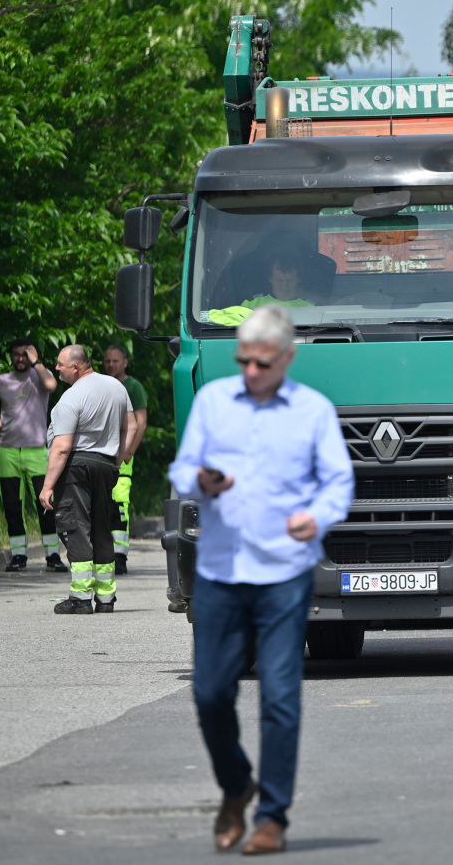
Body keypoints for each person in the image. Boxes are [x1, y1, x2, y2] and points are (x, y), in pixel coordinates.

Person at [169, 305, 353, 854]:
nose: (251, 372)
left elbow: (338, 481)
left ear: (287, 358)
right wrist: (201, 480)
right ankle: (235, 786)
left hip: (283, 574)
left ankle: (272, 816)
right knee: (209, 692)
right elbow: (182, 470)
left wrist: (316, 517)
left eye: (263, 363)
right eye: (243, 361)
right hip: (221, 571)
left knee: (279, 695)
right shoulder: (213, 402)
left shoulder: (313, 410)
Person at [39, 346, 136, 614]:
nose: (56, 369)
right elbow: (131, 426)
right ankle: (105, 598)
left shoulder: (72, 397)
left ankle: (80, 598)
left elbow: (62, 448)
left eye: (60, 364)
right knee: (102, 528)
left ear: (76, 367)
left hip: (76, 467)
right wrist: (116, 461)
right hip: (106, 465)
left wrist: (47, 487)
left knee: (76, 528)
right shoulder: (116, 387)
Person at [0, 339, 63, 571]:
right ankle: (18, 555)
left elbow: (52, 385)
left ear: (32, 356)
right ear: (11, 356)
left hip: (37, 451)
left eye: (25, 354)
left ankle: (53, 555)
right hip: (8, 451)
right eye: (16, 354)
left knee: (46, 504)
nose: (20, 359)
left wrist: (37, 361)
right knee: (12, 506)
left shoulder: (40, 377)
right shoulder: (3, 381)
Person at [101, 344, 148, 575]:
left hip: (123, 456)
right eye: (107, 361)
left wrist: (130, 451)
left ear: (125, 363)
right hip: (102, 454)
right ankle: (103, 554)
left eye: (115, 361)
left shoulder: (133, 387)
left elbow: (141, 422)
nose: (111, 365)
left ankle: (120, 556)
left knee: (119, 505)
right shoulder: (101, 385)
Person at [207, 255, 314, 326]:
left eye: (289, 281)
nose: (284, 285)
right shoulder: (251, 303)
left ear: (298, 279)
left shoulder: (310, 307)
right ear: (270, 279)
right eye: (279, 280)